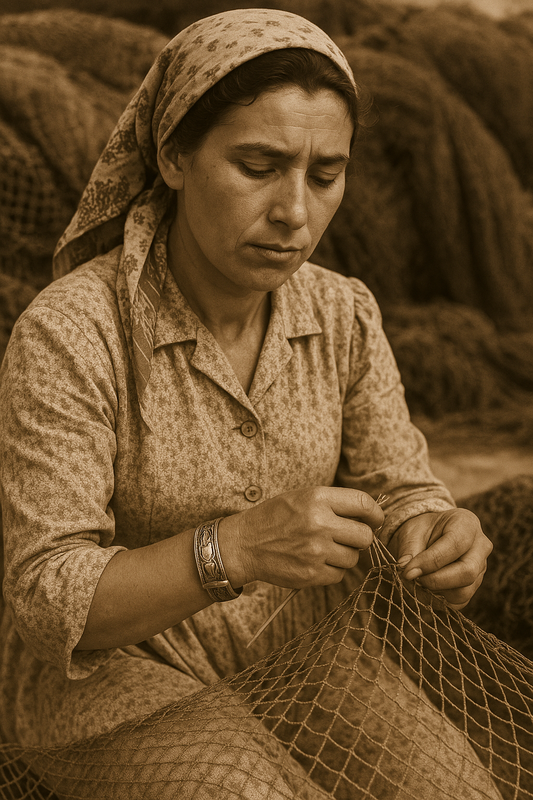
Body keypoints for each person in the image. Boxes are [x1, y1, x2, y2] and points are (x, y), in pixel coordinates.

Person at [0, 8, 495, 799]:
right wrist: (230, 550)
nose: (294, 211)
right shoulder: (72, 332)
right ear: (173, 155)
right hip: (110, 670)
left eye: (324, 175)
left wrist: (435, 532)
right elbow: (48, 597)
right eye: (258, 165)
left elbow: (400, 486)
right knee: (245, 791)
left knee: (455, 790)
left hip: (299, 651)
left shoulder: (341, 314)